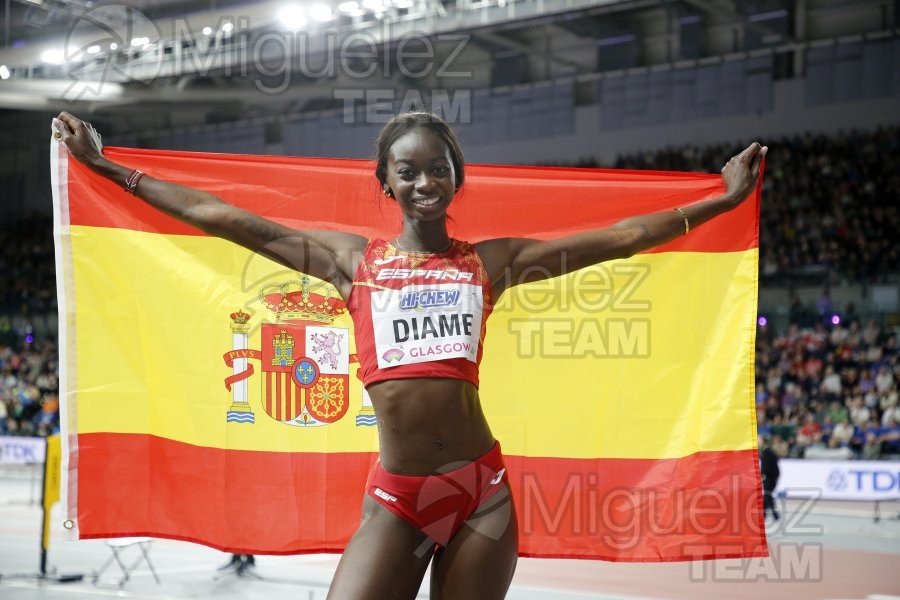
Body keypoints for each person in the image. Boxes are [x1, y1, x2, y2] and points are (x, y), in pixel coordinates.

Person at [52, 111, 765, 599]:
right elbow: (227, 220)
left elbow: (619, 239)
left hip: (483, 492)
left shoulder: (493, 264)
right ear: (385, 183)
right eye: (408, 172)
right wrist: (110, 169)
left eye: (438, 169)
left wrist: (721, 203)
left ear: (457, 176)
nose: (425, 182)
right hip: (398, 499)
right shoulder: (349, 263)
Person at [758, 435, 781, 521]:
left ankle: (775, 515)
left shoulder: (766, 453)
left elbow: (766, 467)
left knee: (767, 496)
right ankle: (763, 514)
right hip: (771, 477)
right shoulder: (768, 452)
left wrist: (762, 474)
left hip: (769, 478)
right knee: (767, 496)